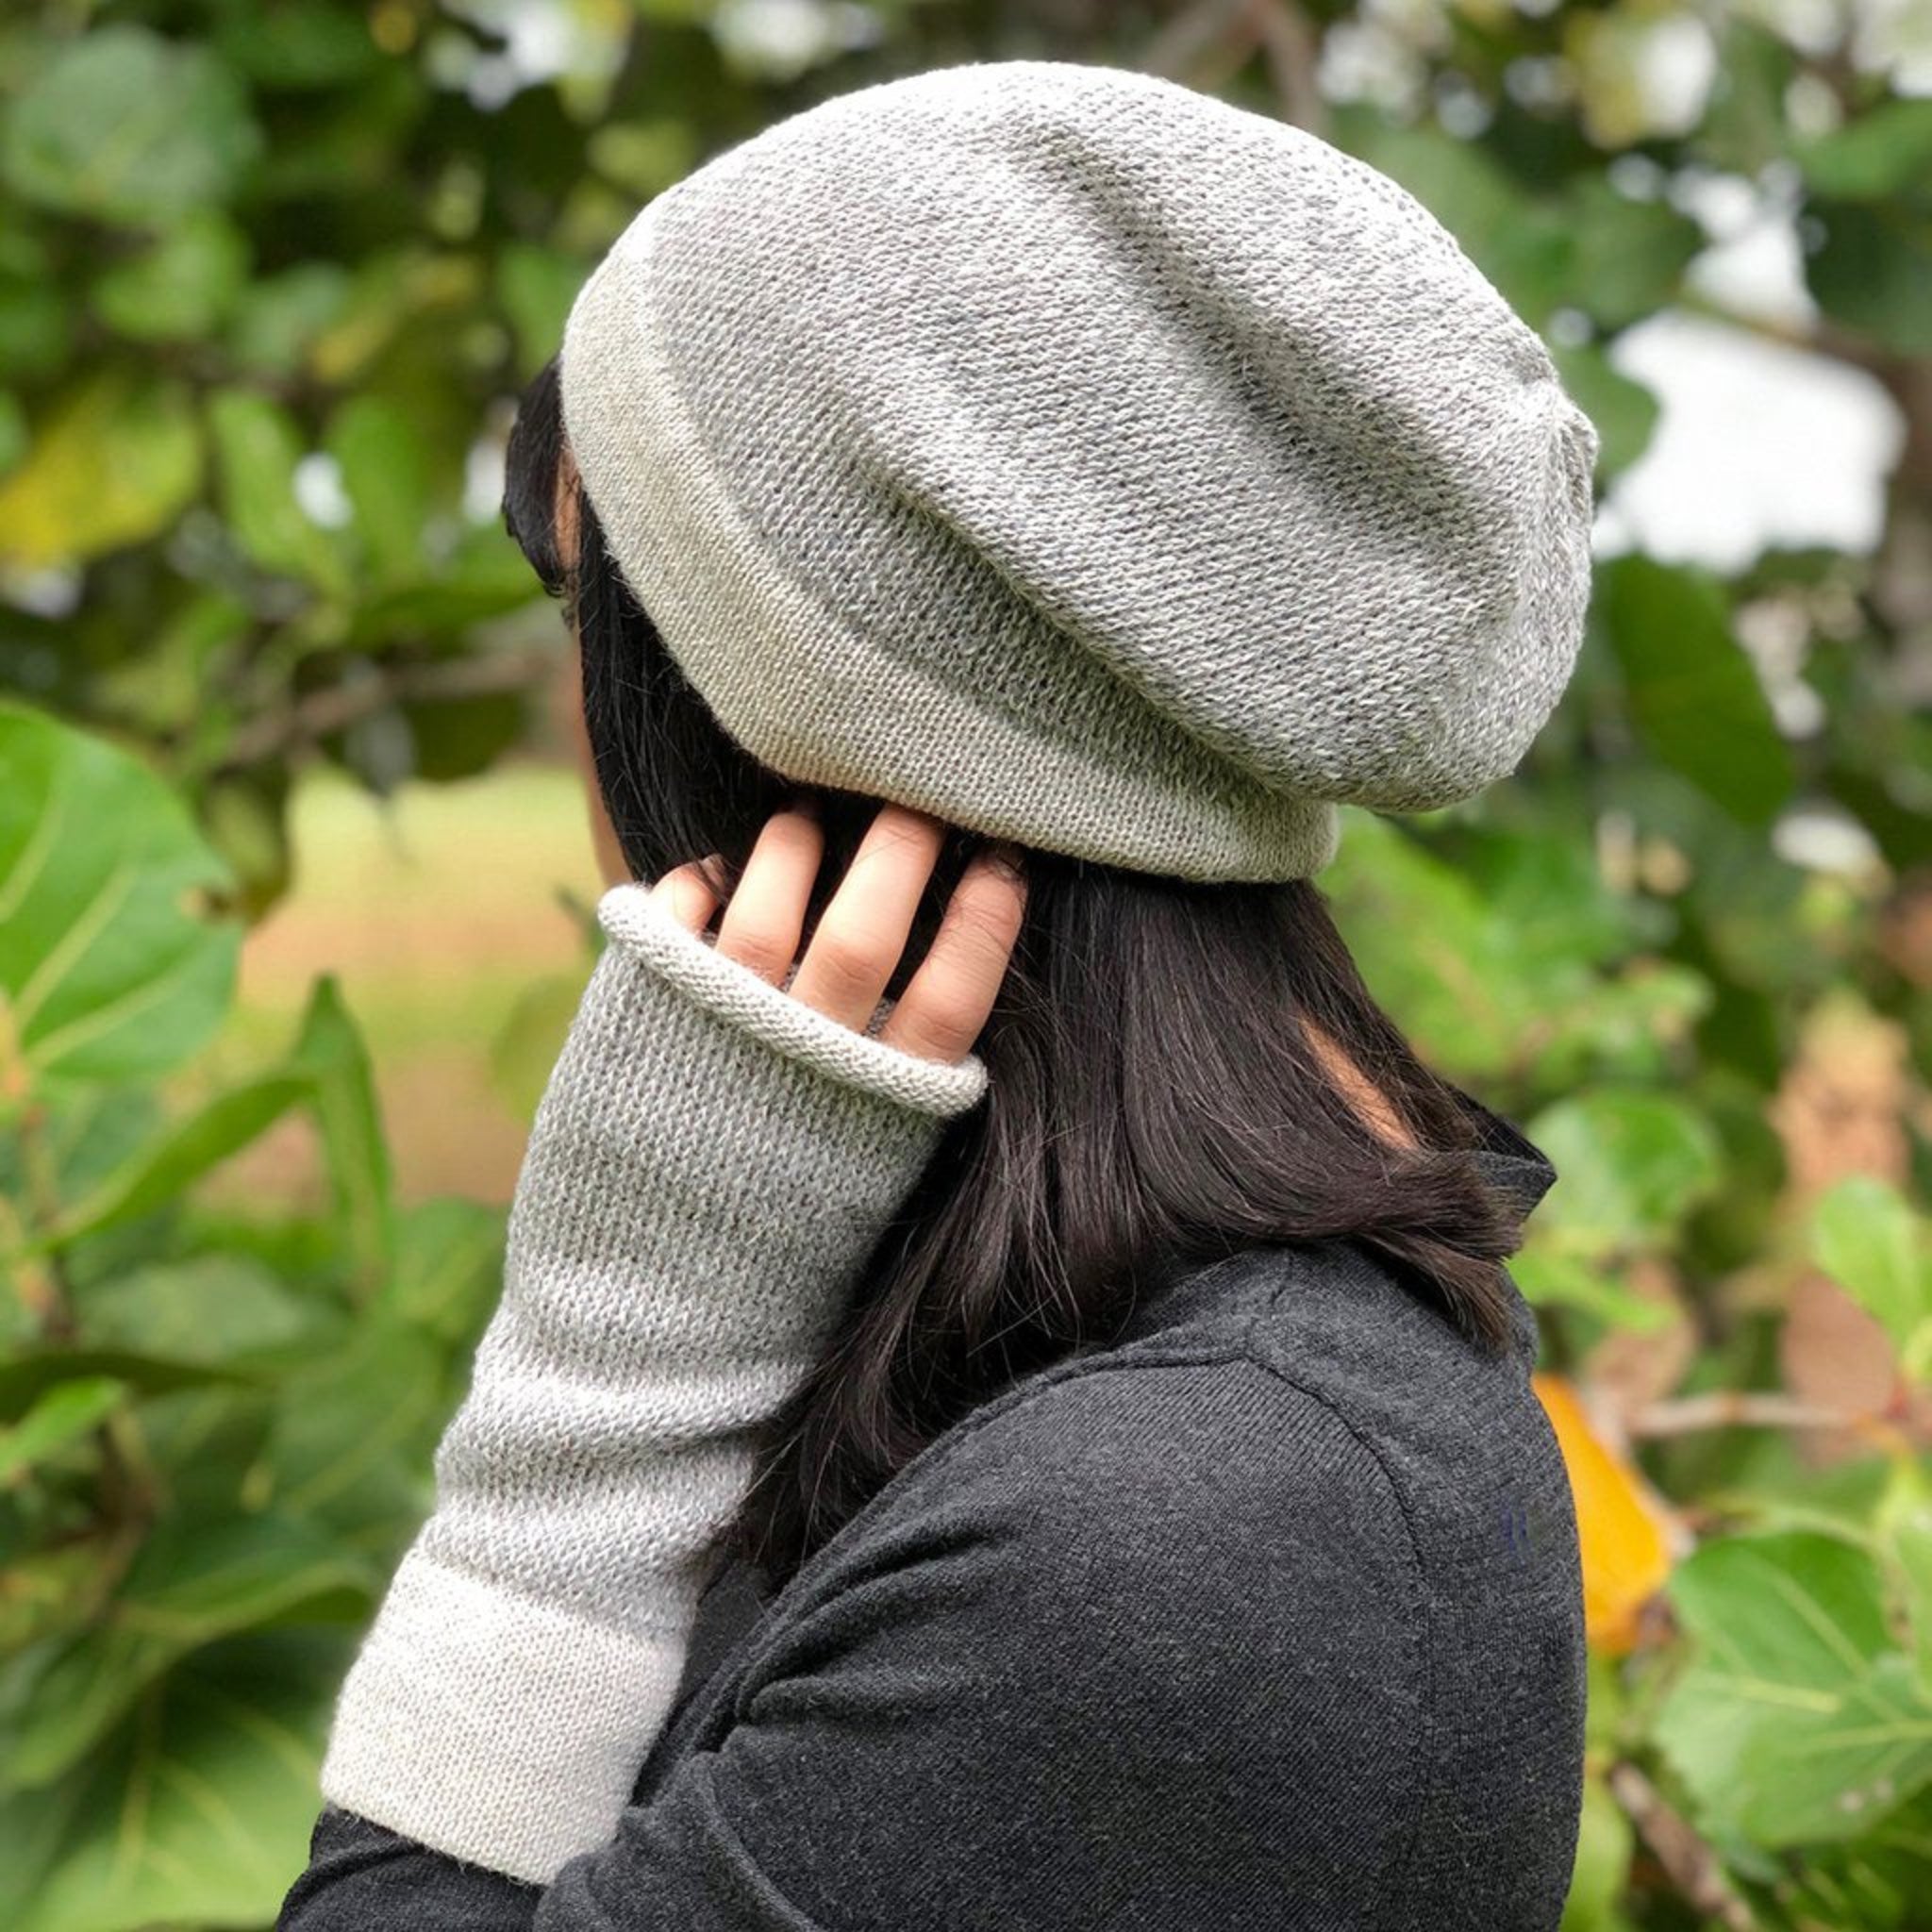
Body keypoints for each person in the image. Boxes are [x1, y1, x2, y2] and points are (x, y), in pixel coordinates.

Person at [277, 56, 1598, 1931]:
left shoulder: (1188, 1536)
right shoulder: (1124, 1393)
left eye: (588, 609)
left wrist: (594, 1420)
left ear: (785, 718)